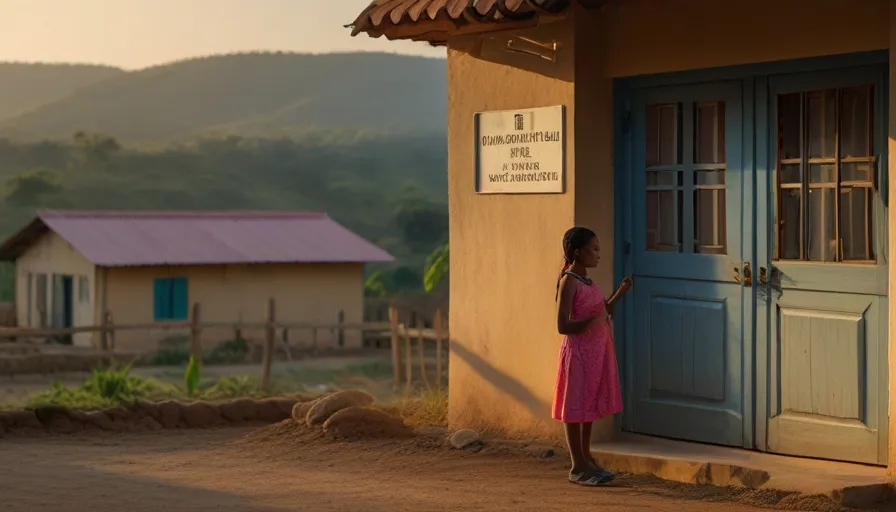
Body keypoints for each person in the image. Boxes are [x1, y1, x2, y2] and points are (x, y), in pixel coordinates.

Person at [553, 226, 632, 487]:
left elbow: (603, 312)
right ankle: (577, 466)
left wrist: (619, 294)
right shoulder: (569, 281)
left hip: (597, 352)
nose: (598, 254)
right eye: (594, 249)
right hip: (579, 354)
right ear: (578, 252)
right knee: (575, 408)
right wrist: (590, 320)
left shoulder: (589, 281)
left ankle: (587, 457)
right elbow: (563, 326)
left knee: (587, 407)